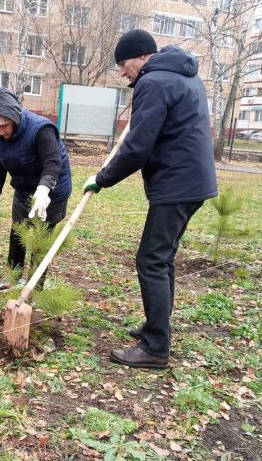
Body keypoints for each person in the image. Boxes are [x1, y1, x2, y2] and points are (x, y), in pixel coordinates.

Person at [83, 29, 218, 369]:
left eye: (122, 63)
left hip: (177, 184)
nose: (121, 71)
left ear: (141, 56)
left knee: (151, 260)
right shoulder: (182, 78)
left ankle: (155, 347)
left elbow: (138, 147)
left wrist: (102, 179)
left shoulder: (154, 83)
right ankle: (155, 327)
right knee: (163, 259)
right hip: (194, 182)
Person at [0, 87, 72, 288]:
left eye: (4, 125)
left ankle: (35, 284)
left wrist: (45, 189)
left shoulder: (41, 129)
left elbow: (52, 162)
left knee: (41, 237)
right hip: (23, 189)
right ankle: (13, 277)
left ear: (13, 117)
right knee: (18, 232)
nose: (1, 131)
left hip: (51, 192)